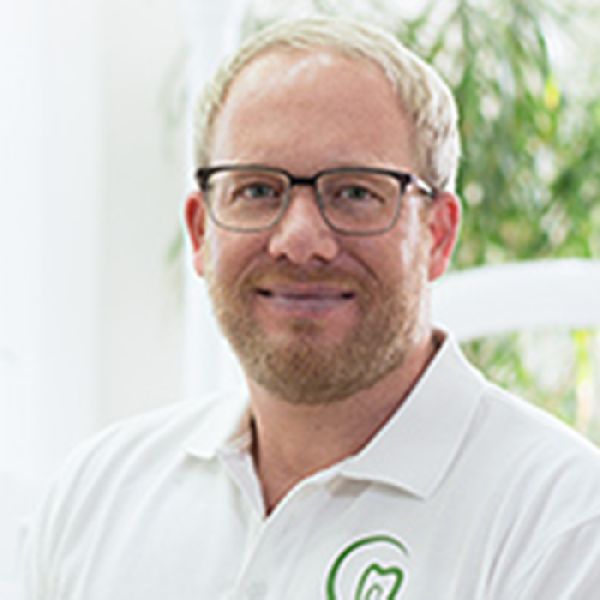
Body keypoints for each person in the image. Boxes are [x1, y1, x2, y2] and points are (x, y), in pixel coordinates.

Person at [23, 16, 600, 600]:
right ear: (200, 231)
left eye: (354, 192)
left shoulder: (563, 525)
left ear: (437, 234)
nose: (299, 240)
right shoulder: (98, 496)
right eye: (257, 190)